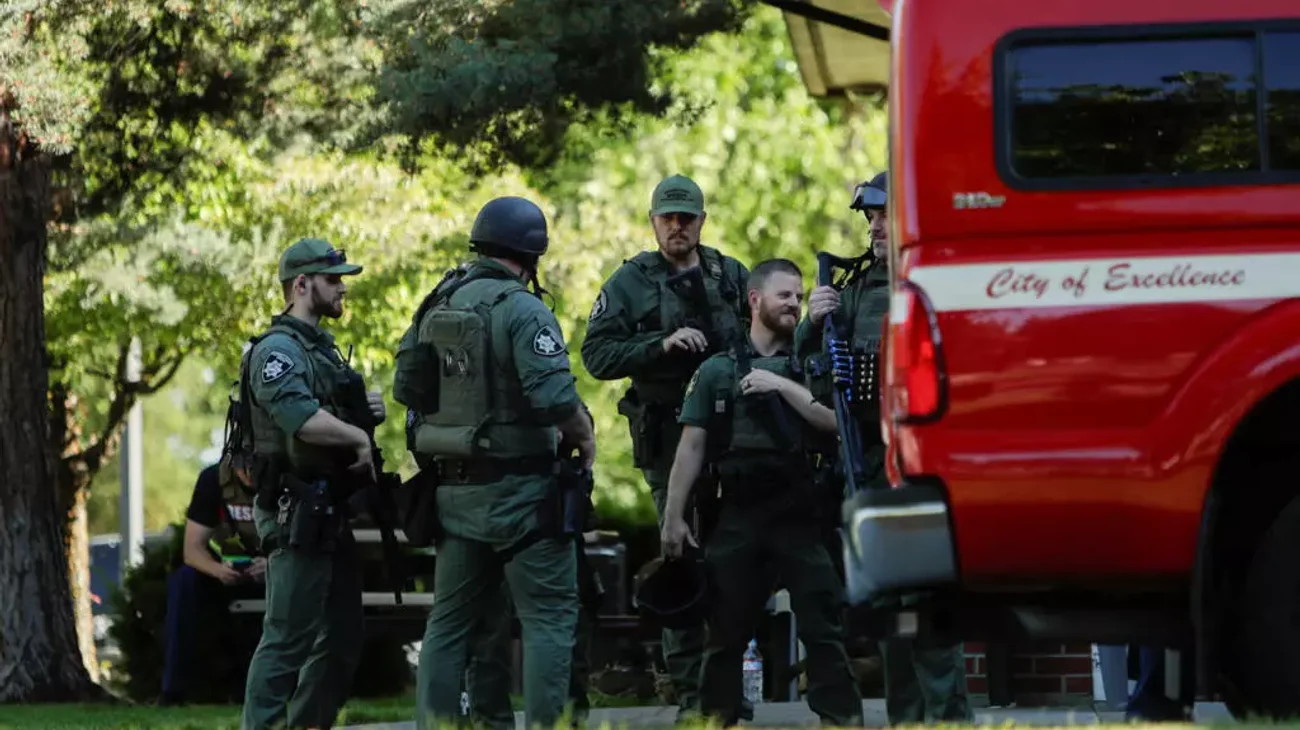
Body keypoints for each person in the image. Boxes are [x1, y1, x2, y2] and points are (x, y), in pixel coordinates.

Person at [406, 196, 596, 730]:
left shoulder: (435, 305)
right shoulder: (522, 309)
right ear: (532, 252)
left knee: (448, 625)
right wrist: (586, 440)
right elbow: (556, 398)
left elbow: (407, 389)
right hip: (524, 499)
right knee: (549, 621)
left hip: (453, 492)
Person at [661, 258, 865, 728]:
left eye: (798, 295)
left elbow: (837, 425)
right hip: (738, 514)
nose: (794, 303)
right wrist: (673, 516)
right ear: (756, 300)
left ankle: (842, 720)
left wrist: (781, 386)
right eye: (784, 295)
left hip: (799, 512)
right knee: (725, 632)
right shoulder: (717, 370)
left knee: (823, 626)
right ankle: (714, 720)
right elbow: (691, 447)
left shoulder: (811, 363)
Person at [801, 172, 974, 726]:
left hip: (921, 462)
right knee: (890, 605)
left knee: (925, 600)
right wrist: (814, 321)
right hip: (867, 464)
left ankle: (947, 717)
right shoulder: (852, 290)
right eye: (870, 216)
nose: (874, 225)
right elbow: (819, 375)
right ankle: (907, 718)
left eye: (884, 213)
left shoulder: (932, 275)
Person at [580, 174, 749, 719]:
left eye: (688, 217)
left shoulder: (729, 274)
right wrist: (659, 345)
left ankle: (726, 688)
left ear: (702, 220)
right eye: (668, 217)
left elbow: (764, 334)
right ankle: (692, 695)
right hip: (669, 442)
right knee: (681, 557)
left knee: (736, 563)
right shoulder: (631, 281)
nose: (678, 226)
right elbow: (597, 356)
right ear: (653, 221)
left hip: (735, 440)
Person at [239, 237, 380, 730]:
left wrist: (363, 414)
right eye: (333, 279)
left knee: (342, 638)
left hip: (328, 512)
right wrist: (358, 436)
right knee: (286, 639)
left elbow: (326, 412)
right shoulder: (276, 350)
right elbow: (300, 418)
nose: (343, 289)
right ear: (301, 285)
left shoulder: (320, 350)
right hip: (293, 510)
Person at [160, 458, 265, 706]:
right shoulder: (213, 479)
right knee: (184, 580)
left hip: (281, 570)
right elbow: (192, 550)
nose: (249, 474)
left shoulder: (287, 480)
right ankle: (173, 691)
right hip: (229, 569)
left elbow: (306, 545)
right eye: (243, 468)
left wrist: (274, 565)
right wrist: (218, 570)